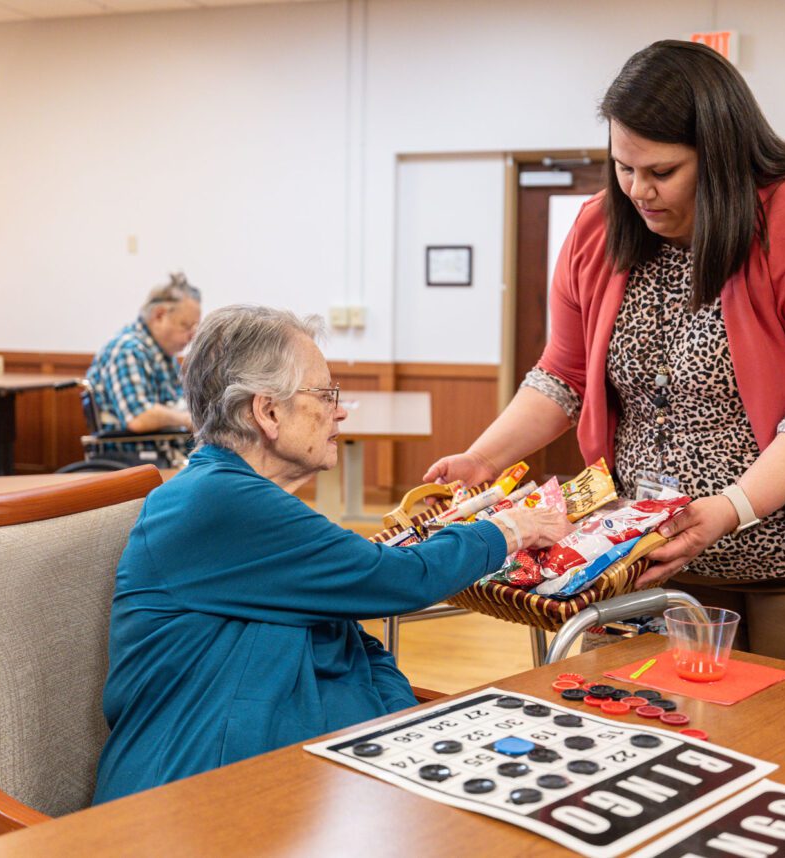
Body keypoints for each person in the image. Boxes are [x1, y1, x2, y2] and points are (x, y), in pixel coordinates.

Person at [425, 40, 785, 680]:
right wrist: (483, 458)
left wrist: (732, 508)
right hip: (649, 554)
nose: (638, 190)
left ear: (720, 156)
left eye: (661, 172)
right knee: (633, 730)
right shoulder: (598, 227)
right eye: (623, 168)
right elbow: (564, 374)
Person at [92, 305, 570, 804]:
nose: (339, 410)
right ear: (268, 412)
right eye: (325, 394)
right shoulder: (215, 500)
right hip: (190, 798)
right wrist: (507, 530)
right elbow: (399, 579)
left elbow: (357, 646)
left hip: (285, 785)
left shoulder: (251, 508)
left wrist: (406, 733)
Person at [85, 272, 201, 463]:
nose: (191, 336)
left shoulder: (163, 354)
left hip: (164, 450)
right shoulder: (127, 350)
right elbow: (139, 417)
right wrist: (189, 420)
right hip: (134, 457)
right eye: (185, 326)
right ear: (159, 315)